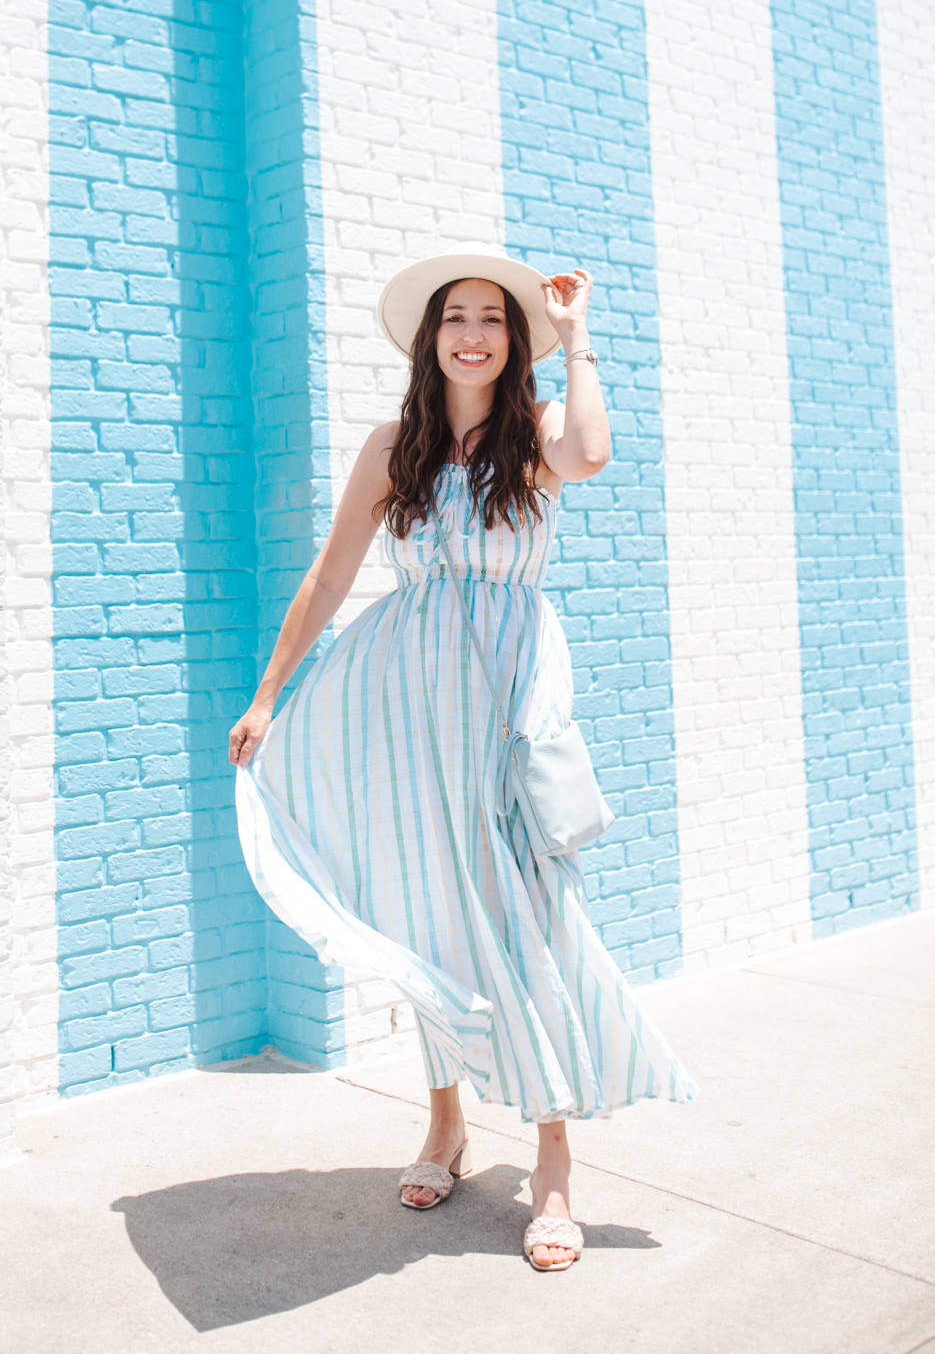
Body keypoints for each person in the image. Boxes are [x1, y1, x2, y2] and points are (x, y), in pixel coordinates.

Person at [230, 242, 696, 1272]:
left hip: (501, 702)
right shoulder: (391, 444)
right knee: (422, 913)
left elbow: (591, 456)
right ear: (430, 337)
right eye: (456, 317)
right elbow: (330, 574)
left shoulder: (532, 435)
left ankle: (554, 1166)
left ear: (512, 338)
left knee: (521, 914)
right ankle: (442, 1125)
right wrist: (269, 694)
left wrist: (577, 342)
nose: (474, 332)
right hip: (397, 701)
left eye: (493, 317)